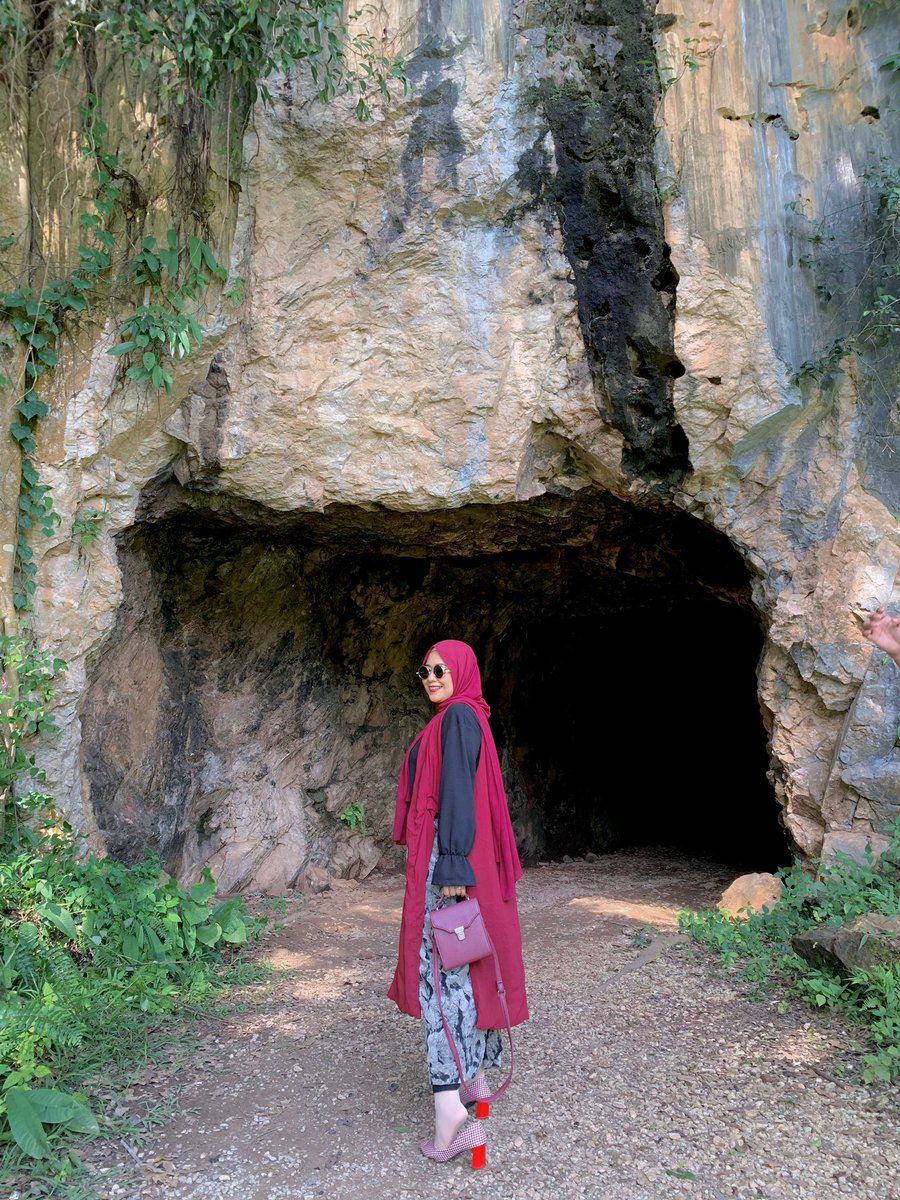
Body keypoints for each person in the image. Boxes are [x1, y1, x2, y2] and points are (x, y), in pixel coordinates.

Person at [388, 639, 528, 1167]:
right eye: (423, 669)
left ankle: (449, 1105)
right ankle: (473, 1078)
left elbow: (457, 796)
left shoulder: (458, 720)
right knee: (466, 968)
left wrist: (450, 865)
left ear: (462, 670)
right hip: (456, 863)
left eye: (439, 668)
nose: (429, 676)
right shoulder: (460, 717)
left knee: (440, 975)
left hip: (448, 867)